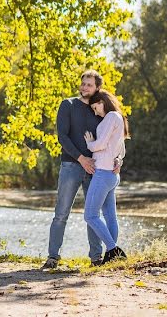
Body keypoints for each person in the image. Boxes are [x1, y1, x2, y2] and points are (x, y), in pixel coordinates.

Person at [41, 70, 113, 269]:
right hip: (71, 165)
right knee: (61, 213)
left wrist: (118, 159)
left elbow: (111, 137)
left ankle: (96, 258)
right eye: (83, 83)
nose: (84, 87)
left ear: (97, 88)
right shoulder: (68, 105)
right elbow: (62, 137)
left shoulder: (99, 110)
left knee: (93, 214)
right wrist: (81, 159)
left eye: (89, 85)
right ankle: (53, 257)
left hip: (95, 168)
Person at [83, 89, 130, 264]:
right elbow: (121, 148)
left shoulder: (111, 116)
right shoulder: (118, 118)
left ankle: (113, 249)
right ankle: (113, 256)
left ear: (102, 101)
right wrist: (118, 158)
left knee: (90, 215)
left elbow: (101, 144)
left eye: (96, 108)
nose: (95, 112)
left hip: (103, 174)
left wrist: (89, 143)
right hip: (111, 175)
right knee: (110, 216)